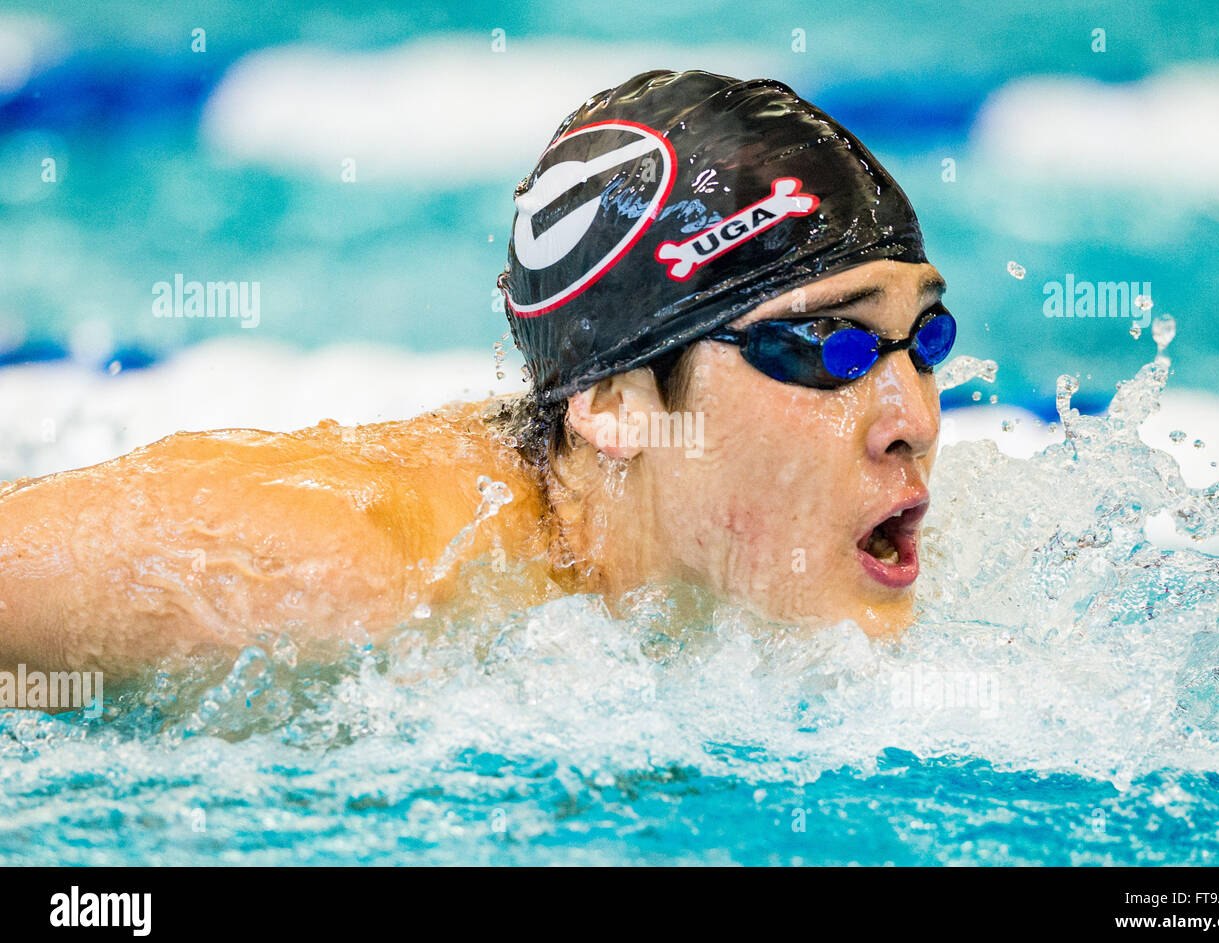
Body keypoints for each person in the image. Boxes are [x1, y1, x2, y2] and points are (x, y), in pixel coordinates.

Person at [0, 70, 953, 679]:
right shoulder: (336, 575)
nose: (911, 416)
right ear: (615, 405)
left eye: (926, 337)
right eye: (831, 349)